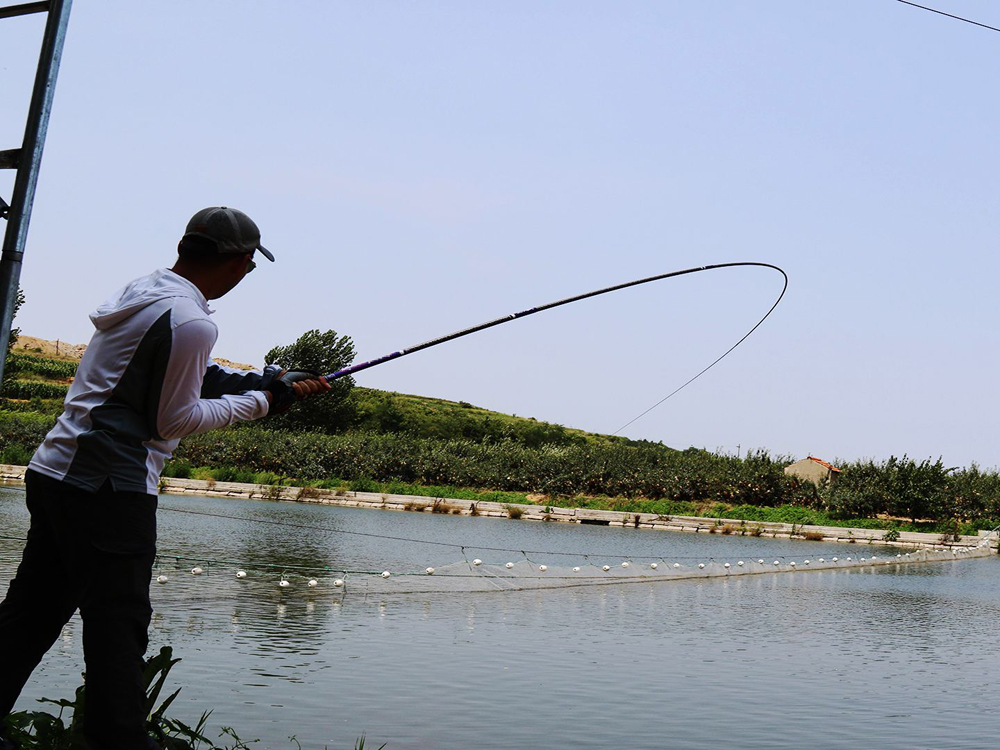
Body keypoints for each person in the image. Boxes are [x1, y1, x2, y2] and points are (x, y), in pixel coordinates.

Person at [0, 207, 329, 749]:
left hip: (55, 473)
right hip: (108, 489)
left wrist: (268, 379)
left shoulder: (149, 292)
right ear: (239, 262)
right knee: (118, 626)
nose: (247, 274)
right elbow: (173, 420)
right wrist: (263, 403)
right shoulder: (194, 322)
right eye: (249, 265)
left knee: (32, 612)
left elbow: (178, 370)